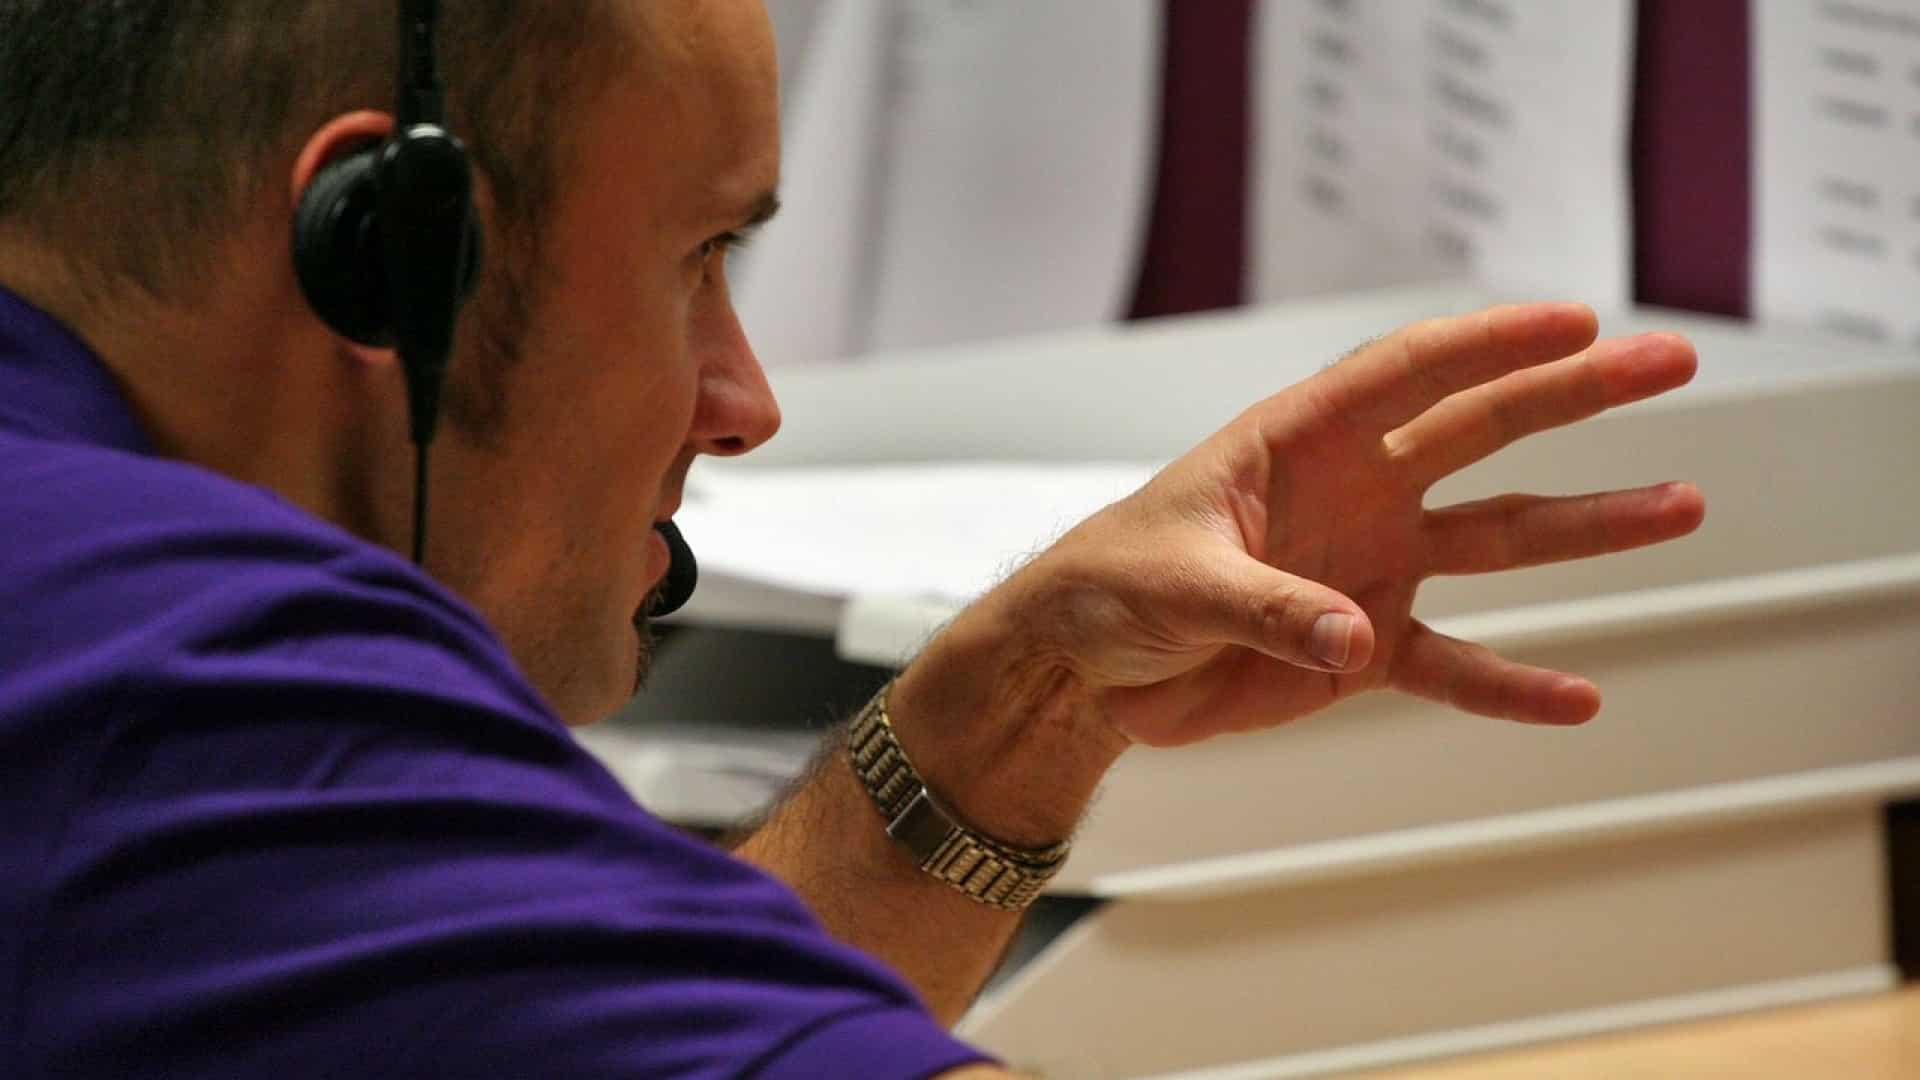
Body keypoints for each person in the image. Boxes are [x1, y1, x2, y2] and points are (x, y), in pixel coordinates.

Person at [0, 1, 1705, 1077]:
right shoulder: (169, 663)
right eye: (698, 257)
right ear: (385, 248)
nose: (744, 401)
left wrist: (1027, 707)